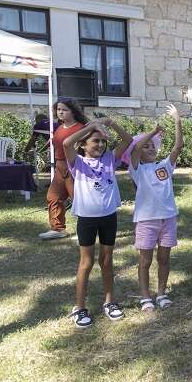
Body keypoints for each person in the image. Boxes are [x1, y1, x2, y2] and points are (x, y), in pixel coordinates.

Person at [63, 117, 132, 328]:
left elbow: (128, 140)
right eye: (95, 141)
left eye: (103, 141)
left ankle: (109, 302)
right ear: (83, 144)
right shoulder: (78, 162)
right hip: (87, 219)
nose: (101, 145)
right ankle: (79, 307)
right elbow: (66, 144)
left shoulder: (110, 159)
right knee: (86, 263)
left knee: (107, 261)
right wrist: (91, 126)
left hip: (108, 217)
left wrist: (111, 124)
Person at [128, 104, 183, 311]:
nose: (150, 148)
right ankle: (145, 296)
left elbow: (178, 147)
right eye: (146, 146)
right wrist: (153, 131)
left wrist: (177, 120)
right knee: (145, 260)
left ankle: (161, 293)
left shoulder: (164, 166)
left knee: (164, 258)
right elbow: (133, 149)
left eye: (153, 145)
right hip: (146, 220)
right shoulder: (136, 169)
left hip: (168, 218)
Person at [40, 99, 89, 240]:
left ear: (73, 111)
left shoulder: (81, 128)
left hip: (74, 166)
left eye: (64, 109)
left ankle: (86, 229)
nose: (60, 112)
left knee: (78, 199)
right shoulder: (60, 127)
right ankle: (58, 229)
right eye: (58, 109)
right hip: (59, 166)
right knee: (53, 197)